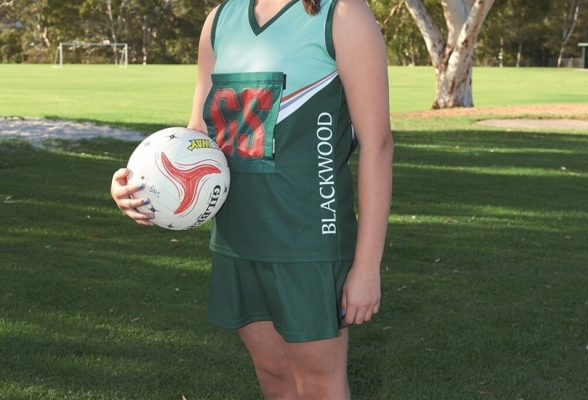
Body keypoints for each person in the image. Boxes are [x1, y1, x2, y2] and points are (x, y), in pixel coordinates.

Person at [110, 0, 393, 397]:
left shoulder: (342, 13)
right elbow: (199, 135)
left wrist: (366, 268)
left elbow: (378, 146)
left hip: (309, 242)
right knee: (274, 378)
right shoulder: (220, 20)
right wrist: (138, 183)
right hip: (236, 239)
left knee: (319, 386)